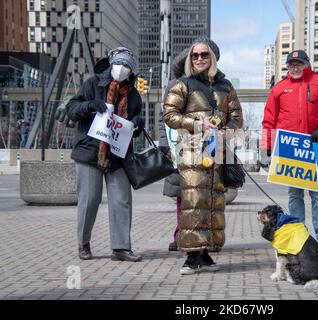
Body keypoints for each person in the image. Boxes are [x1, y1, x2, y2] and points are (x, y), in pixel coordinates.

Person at [163, 38, 243, 275]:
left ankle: (206, 252)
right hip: (192, 151)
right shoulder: (182, 84)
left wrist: (227, 131)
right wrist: (199, 123)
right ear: (190, 59)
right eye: (195, 55)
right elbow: (170, 115)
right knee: (193, 202)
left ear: (212, 58)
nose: (199, 59)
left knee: (213, 202)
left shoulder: (225, 86)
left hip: (217, 152)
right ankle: (191, 256)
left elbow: (236, 116)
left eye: (204, 55)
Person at [67, 47, 145, 262]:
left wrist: (138, 124)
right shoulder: (93, 84)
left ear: (131, 70)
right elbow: (71, 109)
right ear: (111, 64)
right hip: (89, 152)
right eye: (119, 63)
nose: (122, 68)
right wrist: (90, 105)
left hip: (118, 155)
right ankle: (83, 243)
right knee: (89, 200)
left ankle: (120, 248)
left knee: (121, 200)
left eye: (127, 65)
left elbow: (134, 123)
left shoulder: (134, 94)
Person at [261, 50, 318, 255]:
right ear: (287, 66)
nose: (295, 68)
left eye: (299, 64)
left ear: (307, 64)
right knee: (294, 194)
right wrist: (268, 145)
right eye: (291, 64)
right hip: (291, 150)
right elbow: (269, 119)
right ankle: (300, 235)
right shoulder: (279, 89)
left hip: (316, 147)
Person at [158, 48, 189, 252]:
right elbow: (165, 118)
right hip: (179, 147)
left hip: (207, 149)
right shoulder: (174, 86)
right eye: (192, 58)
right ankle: (181, 235)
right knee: (181, 195)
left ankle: (205, 237)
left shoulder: (214, 85)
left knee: (206, 197)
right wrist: (163, 142)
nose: (197, 61)